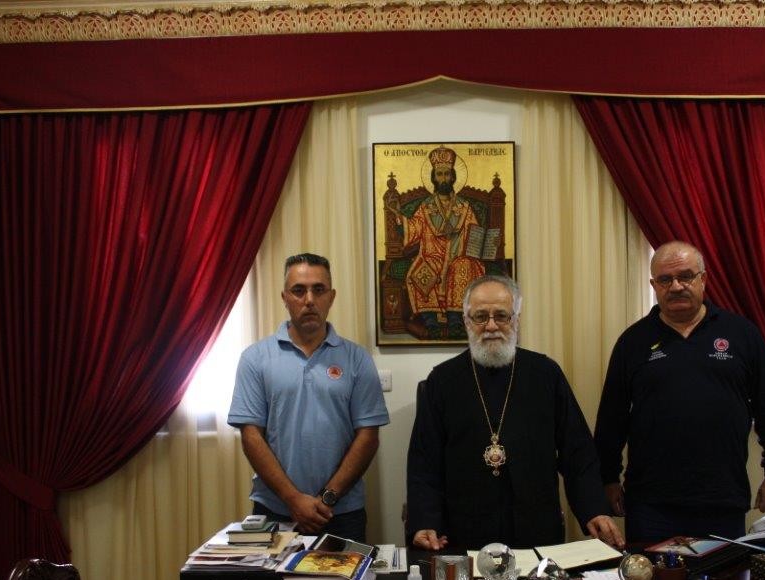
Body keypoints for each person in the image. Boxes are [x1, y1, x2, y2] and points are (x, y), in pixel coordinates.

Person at [407, 274, 625, 551]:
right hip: (465, 530)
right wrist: (425, 520)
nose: (491, 326)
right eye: (480, 317)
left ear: (516, 320)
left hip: (535, 526)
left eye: (501, 316)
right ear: (466, 321)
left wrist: (594, 509)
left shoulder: (545, 374)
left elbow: (578, 451)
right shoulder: (442, 381)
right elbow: (424, 461)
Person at [594, 241, 765, 543]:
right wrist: (608, 479)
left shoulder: (742, 335)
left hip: (722, 500)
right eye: (665, 279)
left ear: (703, 279)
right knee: (651, 576)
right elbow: (612, 419)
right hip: (651, 504)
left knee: (724, 576)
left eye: (685, 276)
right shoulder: (632, 342)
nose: (676, 286)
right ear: (654, 286)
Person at [228, 253, 389, 541]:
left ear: (332, 296)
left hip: (341, 513)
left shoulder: (357, 359)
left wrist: (327, 498)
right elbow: (251, 436)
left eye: (319, 289)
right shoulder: (255, 359)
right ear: (284, 297)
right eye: (299, 290)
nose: (309, 300)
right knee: (271, 576)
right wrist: (293, 499)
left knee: (349, 575)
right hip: (275, 511)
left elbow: (368, 436)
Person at [386, 145, 486, 340]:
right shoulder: (426, 207)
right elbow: (414, 228)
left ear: (453, 177)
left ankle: (456, 321)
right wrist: (398, 215)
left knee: (463, 267)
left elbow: (475, 234)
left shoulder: (464, 207)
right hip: (432, 256)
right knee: (423, 270)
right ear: (433, 178)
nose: (443, 178)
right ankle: (431, 321)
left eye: (447, 174)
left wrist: (485, 243)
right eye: (439, 174)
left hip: (459, 256)